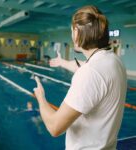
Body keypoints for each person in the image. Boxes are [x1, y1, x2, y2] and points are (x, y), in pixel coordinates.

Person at [33, 5, 127, 150]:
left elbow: (54, 127)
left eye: (72, 31)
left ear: (77, 33)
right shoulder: (113, 60)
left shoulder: (90, 73)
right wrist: (62, 62)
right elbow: (87, 69)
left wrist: (41, 98)